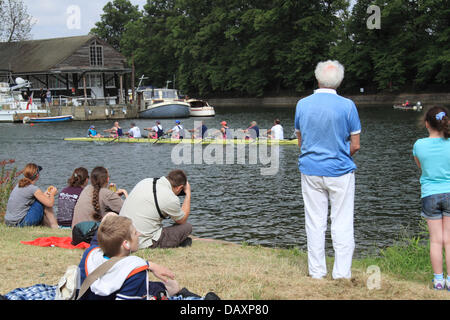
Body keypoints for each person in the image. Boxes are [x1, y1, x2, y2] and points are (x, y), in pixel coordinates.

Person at [294, 60, 361, 280]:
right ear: (339, 81)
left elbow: (300, 140)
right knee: (342, 221)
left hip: (311, 169)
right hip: (340, 170)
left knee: (315, 222)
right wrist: (340, 155)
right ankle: (341, 273)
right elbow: (356, 144)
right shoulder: (348, 105)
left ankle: (317, 272)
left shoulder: (302, 104)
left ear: (317, 77)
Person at [78, 214, 216, 300]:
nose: (139, 234)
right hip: (125, 291)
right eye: (134, 233)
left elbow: (108, 217)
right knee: (172, 286)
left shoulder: (90, 255)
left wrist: (150, 265)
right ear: (125, 244)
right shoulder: (135, 274)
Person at [413, 106, 450, 290]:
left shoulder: (419, 145)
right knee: (449, 240)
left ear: (426, 124)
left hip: (430, 195)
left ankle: (438, 280)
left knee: (436, 240)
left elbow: (422, 167)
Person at [119, 169, 192, 249]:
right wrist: (188, 193)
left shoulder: (145, 181)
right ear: (180, 188)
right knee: (187, 227)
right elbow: (182, 220)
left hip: (121, 237)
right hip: (140, 242)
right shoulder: (170, 198)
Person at [4, 163, 59, 228]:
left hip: (8, 222)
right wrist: (52, 194)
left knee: (42, 200)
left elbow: (31, 198)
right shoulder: (33, 189)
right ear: (37, 175)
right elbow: (50, 203)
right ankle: (55, 226)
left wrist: (44, 195)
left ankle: (49, 226)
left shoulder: (18, 185)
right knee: (44, 203)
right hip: (20, 223)